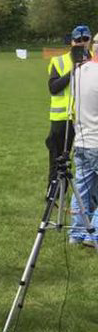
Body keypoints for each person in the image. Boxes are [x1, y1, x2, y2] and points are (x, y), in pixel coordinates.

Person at [47, 25, 92, 185]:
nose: (81, 43)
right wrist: (73, 70)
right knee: (59, 159)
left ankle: (87, 200)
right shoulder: (59, 61)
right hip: (62, 118)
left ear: (90, 40)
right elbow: (53, 88)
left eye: (85, 39)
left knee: (89, 160)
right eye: (78, 40)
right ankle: (54, 195)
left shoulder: (95, 60)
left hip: (88, 119)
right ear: (72, 42)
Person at [69, 45, 98, 247]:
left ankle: (77, 232)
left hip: (81, 139)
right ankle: (93, 233)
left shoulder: (79, 71)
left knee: (82, 187)